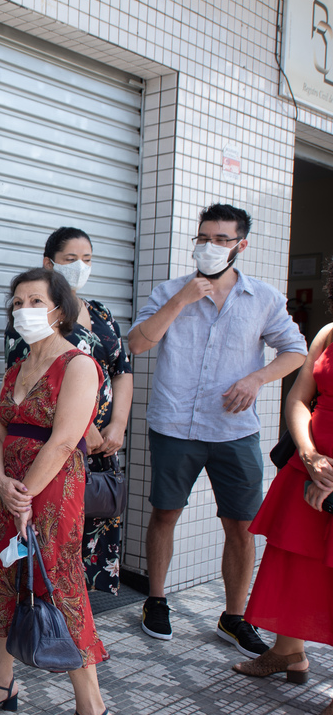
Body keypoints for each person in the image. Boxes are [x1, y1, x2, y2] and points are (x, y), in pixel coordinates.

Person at [129, 204, 306, 655]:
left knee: (242, 525)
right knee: (165, 512)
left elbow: (296, 350)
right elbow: (137, 343)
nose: (210, 246)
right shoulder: (171, 290)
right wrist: (181, 301)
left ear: (240, 245)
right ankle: (156, 600)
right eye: (203, 237)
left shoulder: (263, 297)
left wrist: (257, 378)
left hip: (234, 430)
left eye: (222, 239)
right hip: (174, 425)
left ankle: (234, 616)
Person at [0, 268, 119, 715]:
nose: (24, 310)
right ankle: (2, 684)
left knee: (57, 585)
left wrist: (25, 495)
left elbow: (61, 444)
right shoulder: (17, 368)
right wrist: (2, 484)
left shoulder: (79, 365)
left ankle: (92, 710)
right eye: (17, 302)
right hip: (12, 489)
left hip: (50, 494)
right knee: (3, 576)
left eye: (35, 300)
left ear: (59, 308)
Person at [232, 257, 333, 715]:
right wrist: (311, 456)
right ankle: (288, 653)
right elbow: (298, 399)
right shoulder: (329, 333)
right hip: (309, 467)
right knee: (292, 562)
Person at [4, 227, 132, 594]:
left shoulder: (102, 313)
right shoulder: (30, 321)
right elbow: (28, 386)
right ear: (49, 263)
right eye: (70, 259)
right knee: (50, 543)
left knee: (90, 530)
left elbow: (122, 372)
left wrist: (117, 426)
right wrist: (83, 426)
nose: (80, 267)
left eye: (87, 260)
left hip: (103, 447)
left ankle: (74, 616)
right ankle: (52, 620)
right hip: (59, 446)